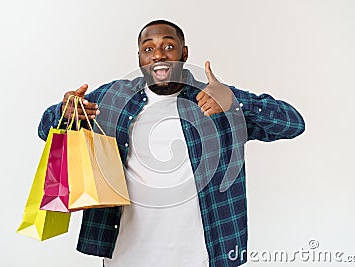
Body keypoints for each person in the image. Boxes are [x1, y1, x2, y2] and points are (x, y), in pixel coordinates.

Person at [38, 20, 305, 267]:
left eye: (168, 46)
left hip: (200, 254)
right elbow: (45, 128)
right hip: (126, 254)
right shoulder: (113, 97)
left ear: (184, 54)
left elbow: (293, 123)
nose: (158, 55)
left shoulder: (215, 98)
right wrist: (64, 111)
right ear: (140, 58)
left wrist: (237, 104)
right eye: (148, 49)